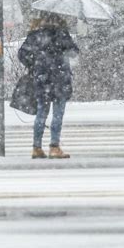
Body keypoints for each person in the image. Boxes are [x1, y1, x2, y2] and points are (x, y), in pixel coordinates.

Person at [18, 15, 79, 159]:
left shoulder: (35, 35)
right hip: (60, 79)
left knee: (41, 114)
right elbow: (74, 51)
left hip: (42, 79)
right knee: (57, 115)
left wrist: (34, 65)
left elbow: (22, 54)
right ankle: (54, 147)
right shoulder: (62, 34)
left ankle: (36, 147)